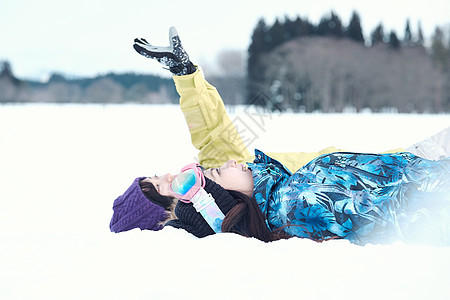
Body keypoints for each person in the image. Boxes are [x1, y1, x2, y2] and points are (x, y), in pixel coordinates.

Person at [110, 27, 450, 246]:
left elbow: (214, 135)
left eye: (156, 175)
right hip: (419, 175)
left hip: (403, 162)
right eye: (162, 186)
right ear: (166, 215)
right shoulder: (223, 208)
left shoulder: (228, 186)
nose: (172, 175)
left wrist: (186, 76)